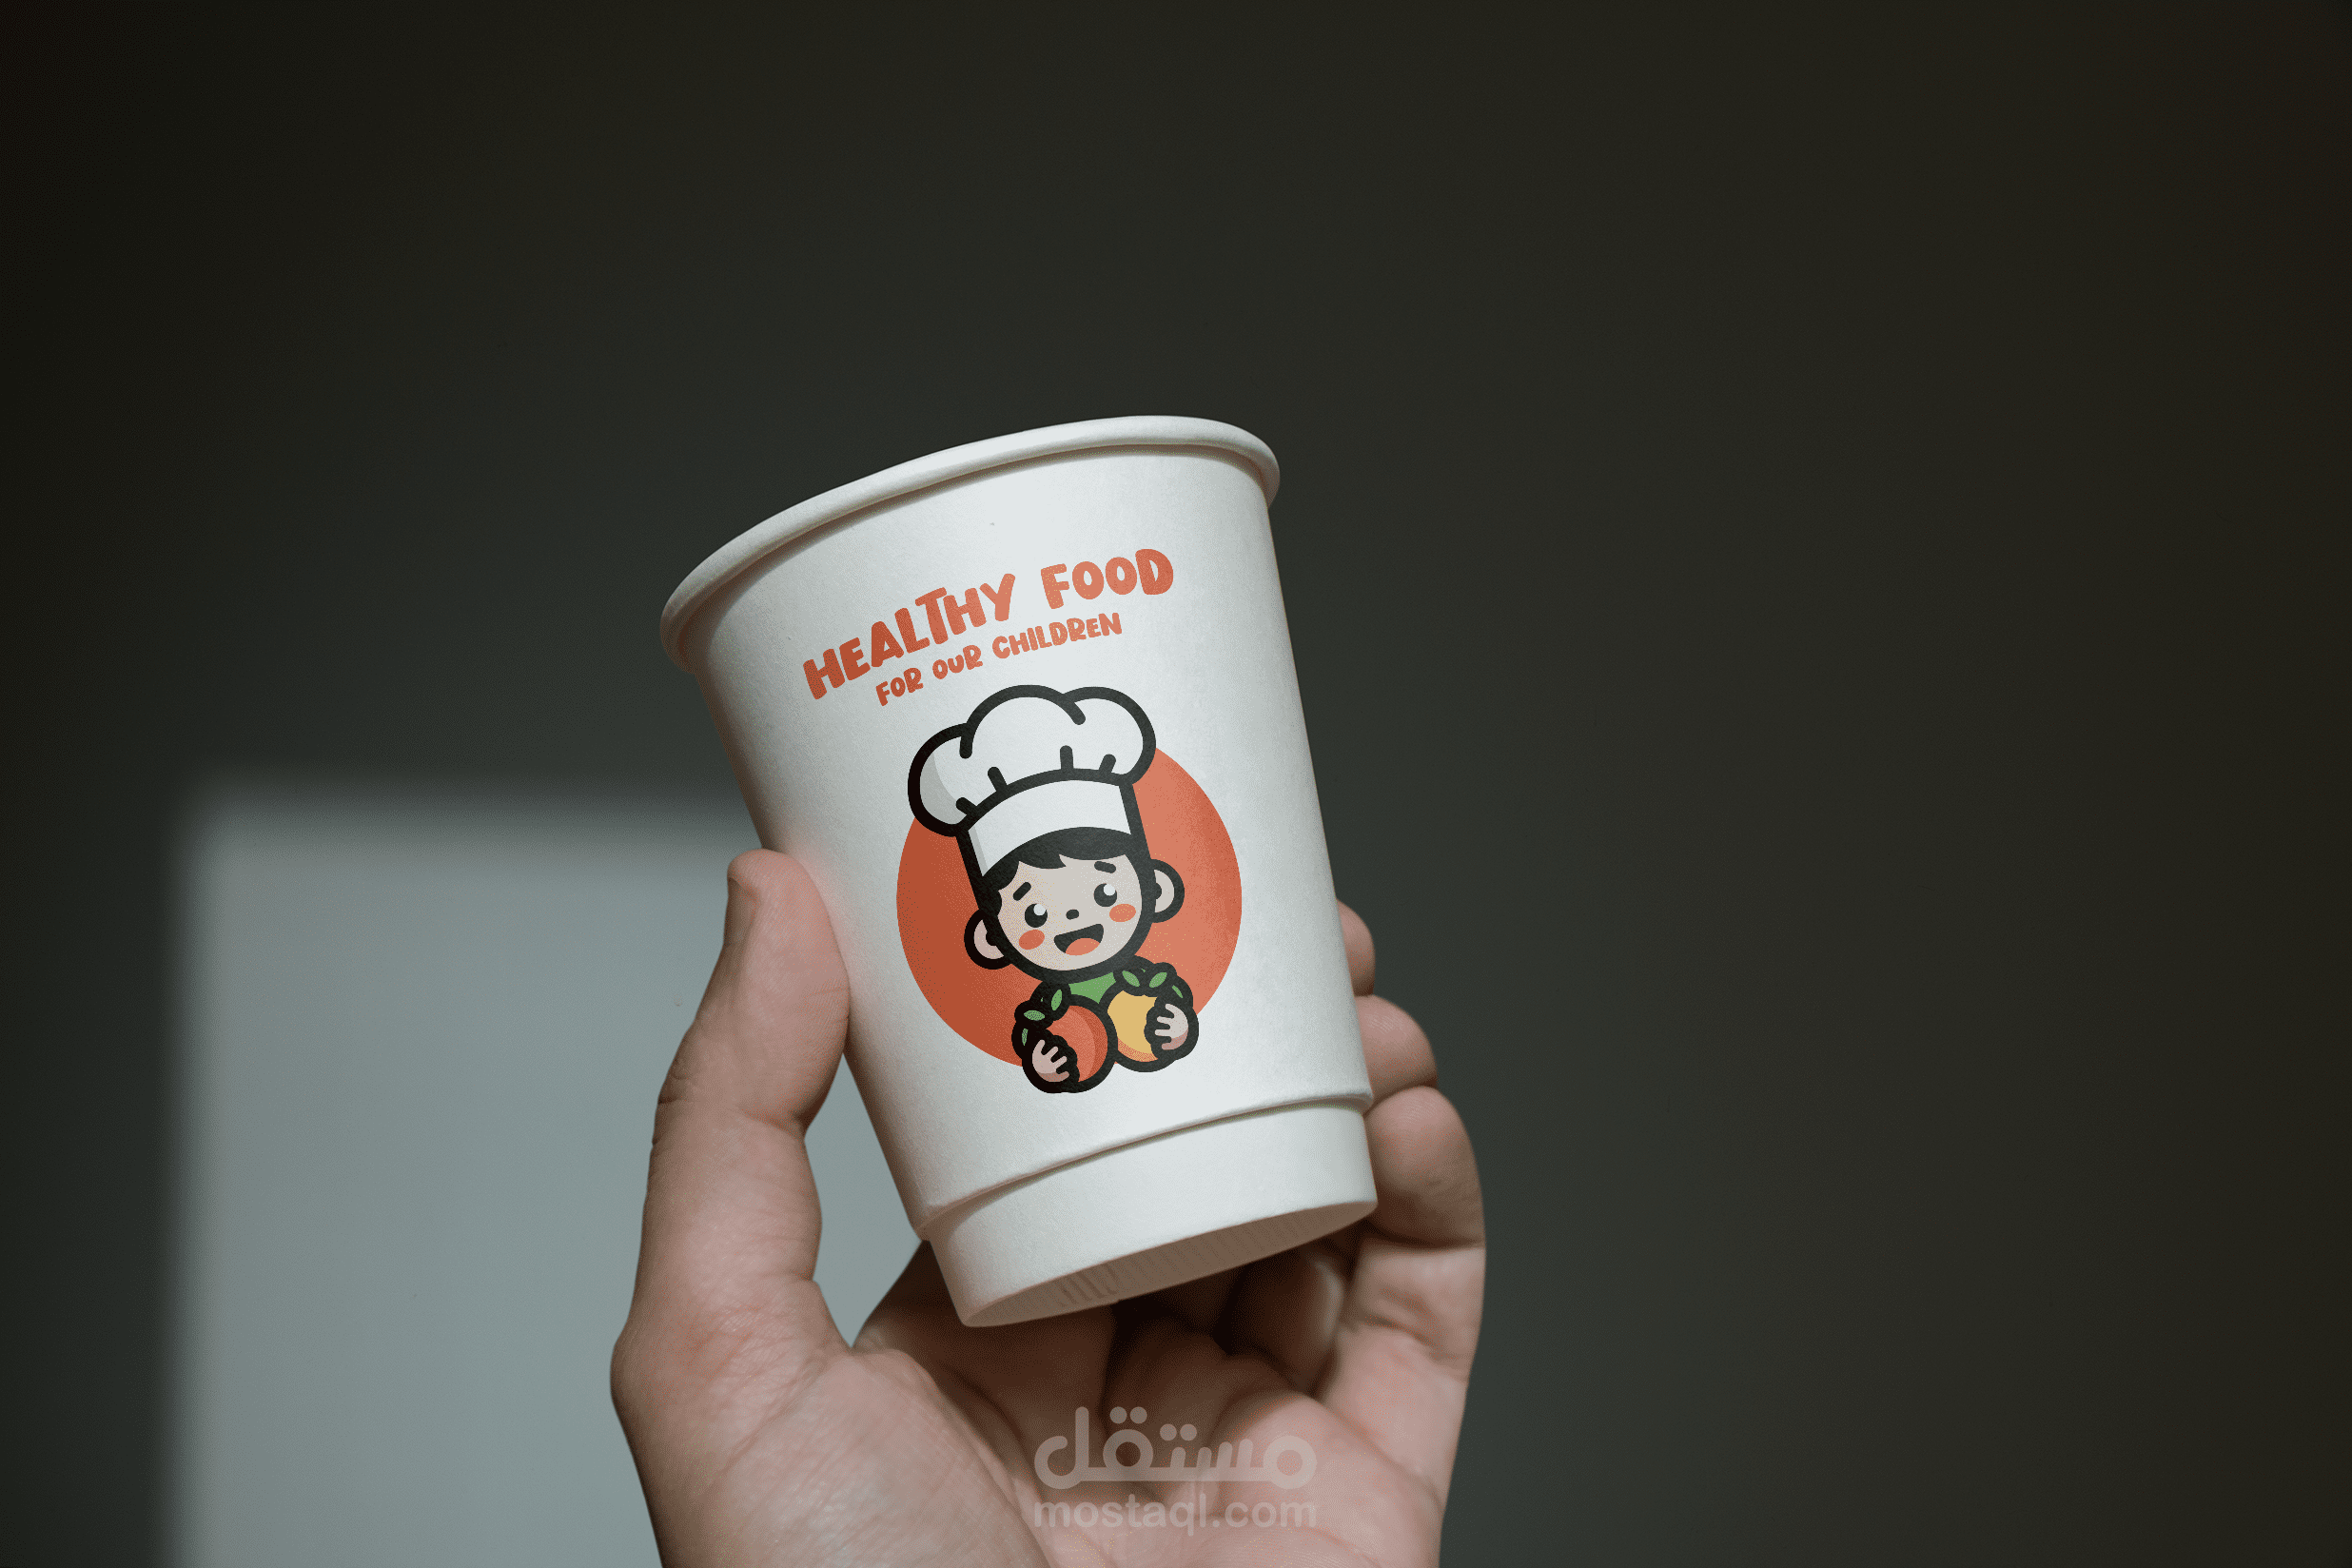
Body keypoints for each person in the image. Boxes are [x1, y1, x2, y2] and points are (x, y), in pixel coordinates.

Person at [611, 851, 1485, 1566]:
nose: (1074, 921)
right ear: (993, 938)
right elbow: (1047, 1038)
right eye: (1036, 912)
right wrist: (1060, 1053)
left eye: (1103, 892)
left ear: (1156, 890)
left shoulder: (1143, 971)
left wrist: (1158, 1024)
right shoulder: (1053, 1000)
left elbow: (1163, 1010)